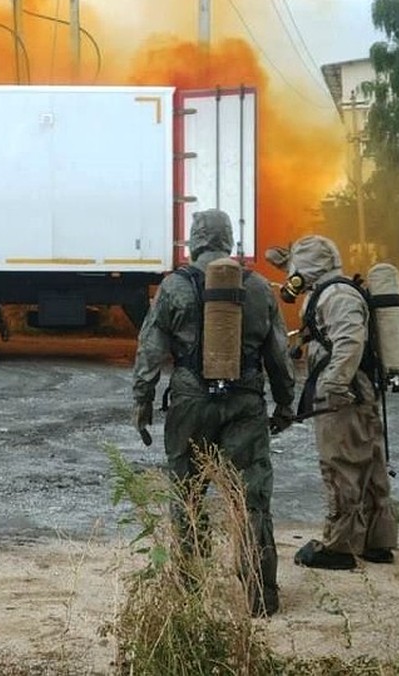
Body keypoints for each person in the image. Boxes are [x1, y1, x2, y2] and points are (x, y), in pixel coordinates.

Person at [131, 209, 296, 616]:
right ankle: (261, 595)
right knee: (252, 497)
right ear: (229, 244)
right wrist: (286, 403)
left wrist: (142, 399)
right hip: (245, 404)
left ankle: (188, 590)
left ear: (194, 242)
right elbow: (278, 354)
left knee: (187, 494)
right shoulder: (258, 288)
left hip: (191, 402)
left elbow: (151, 346)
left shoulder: (175, 287)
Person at [274, 233, 397, 570]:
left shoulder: (337, 296)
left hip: (344, 392)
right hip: (356, 390)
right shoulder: (330, 291)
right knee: (368, 462)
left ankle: (339, 547)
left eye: (296, 268)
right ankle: (377, 541)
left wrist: (333, 384)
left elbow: (349, 341)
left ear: (309, 267)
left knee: (340, 464)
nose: (292, 276)